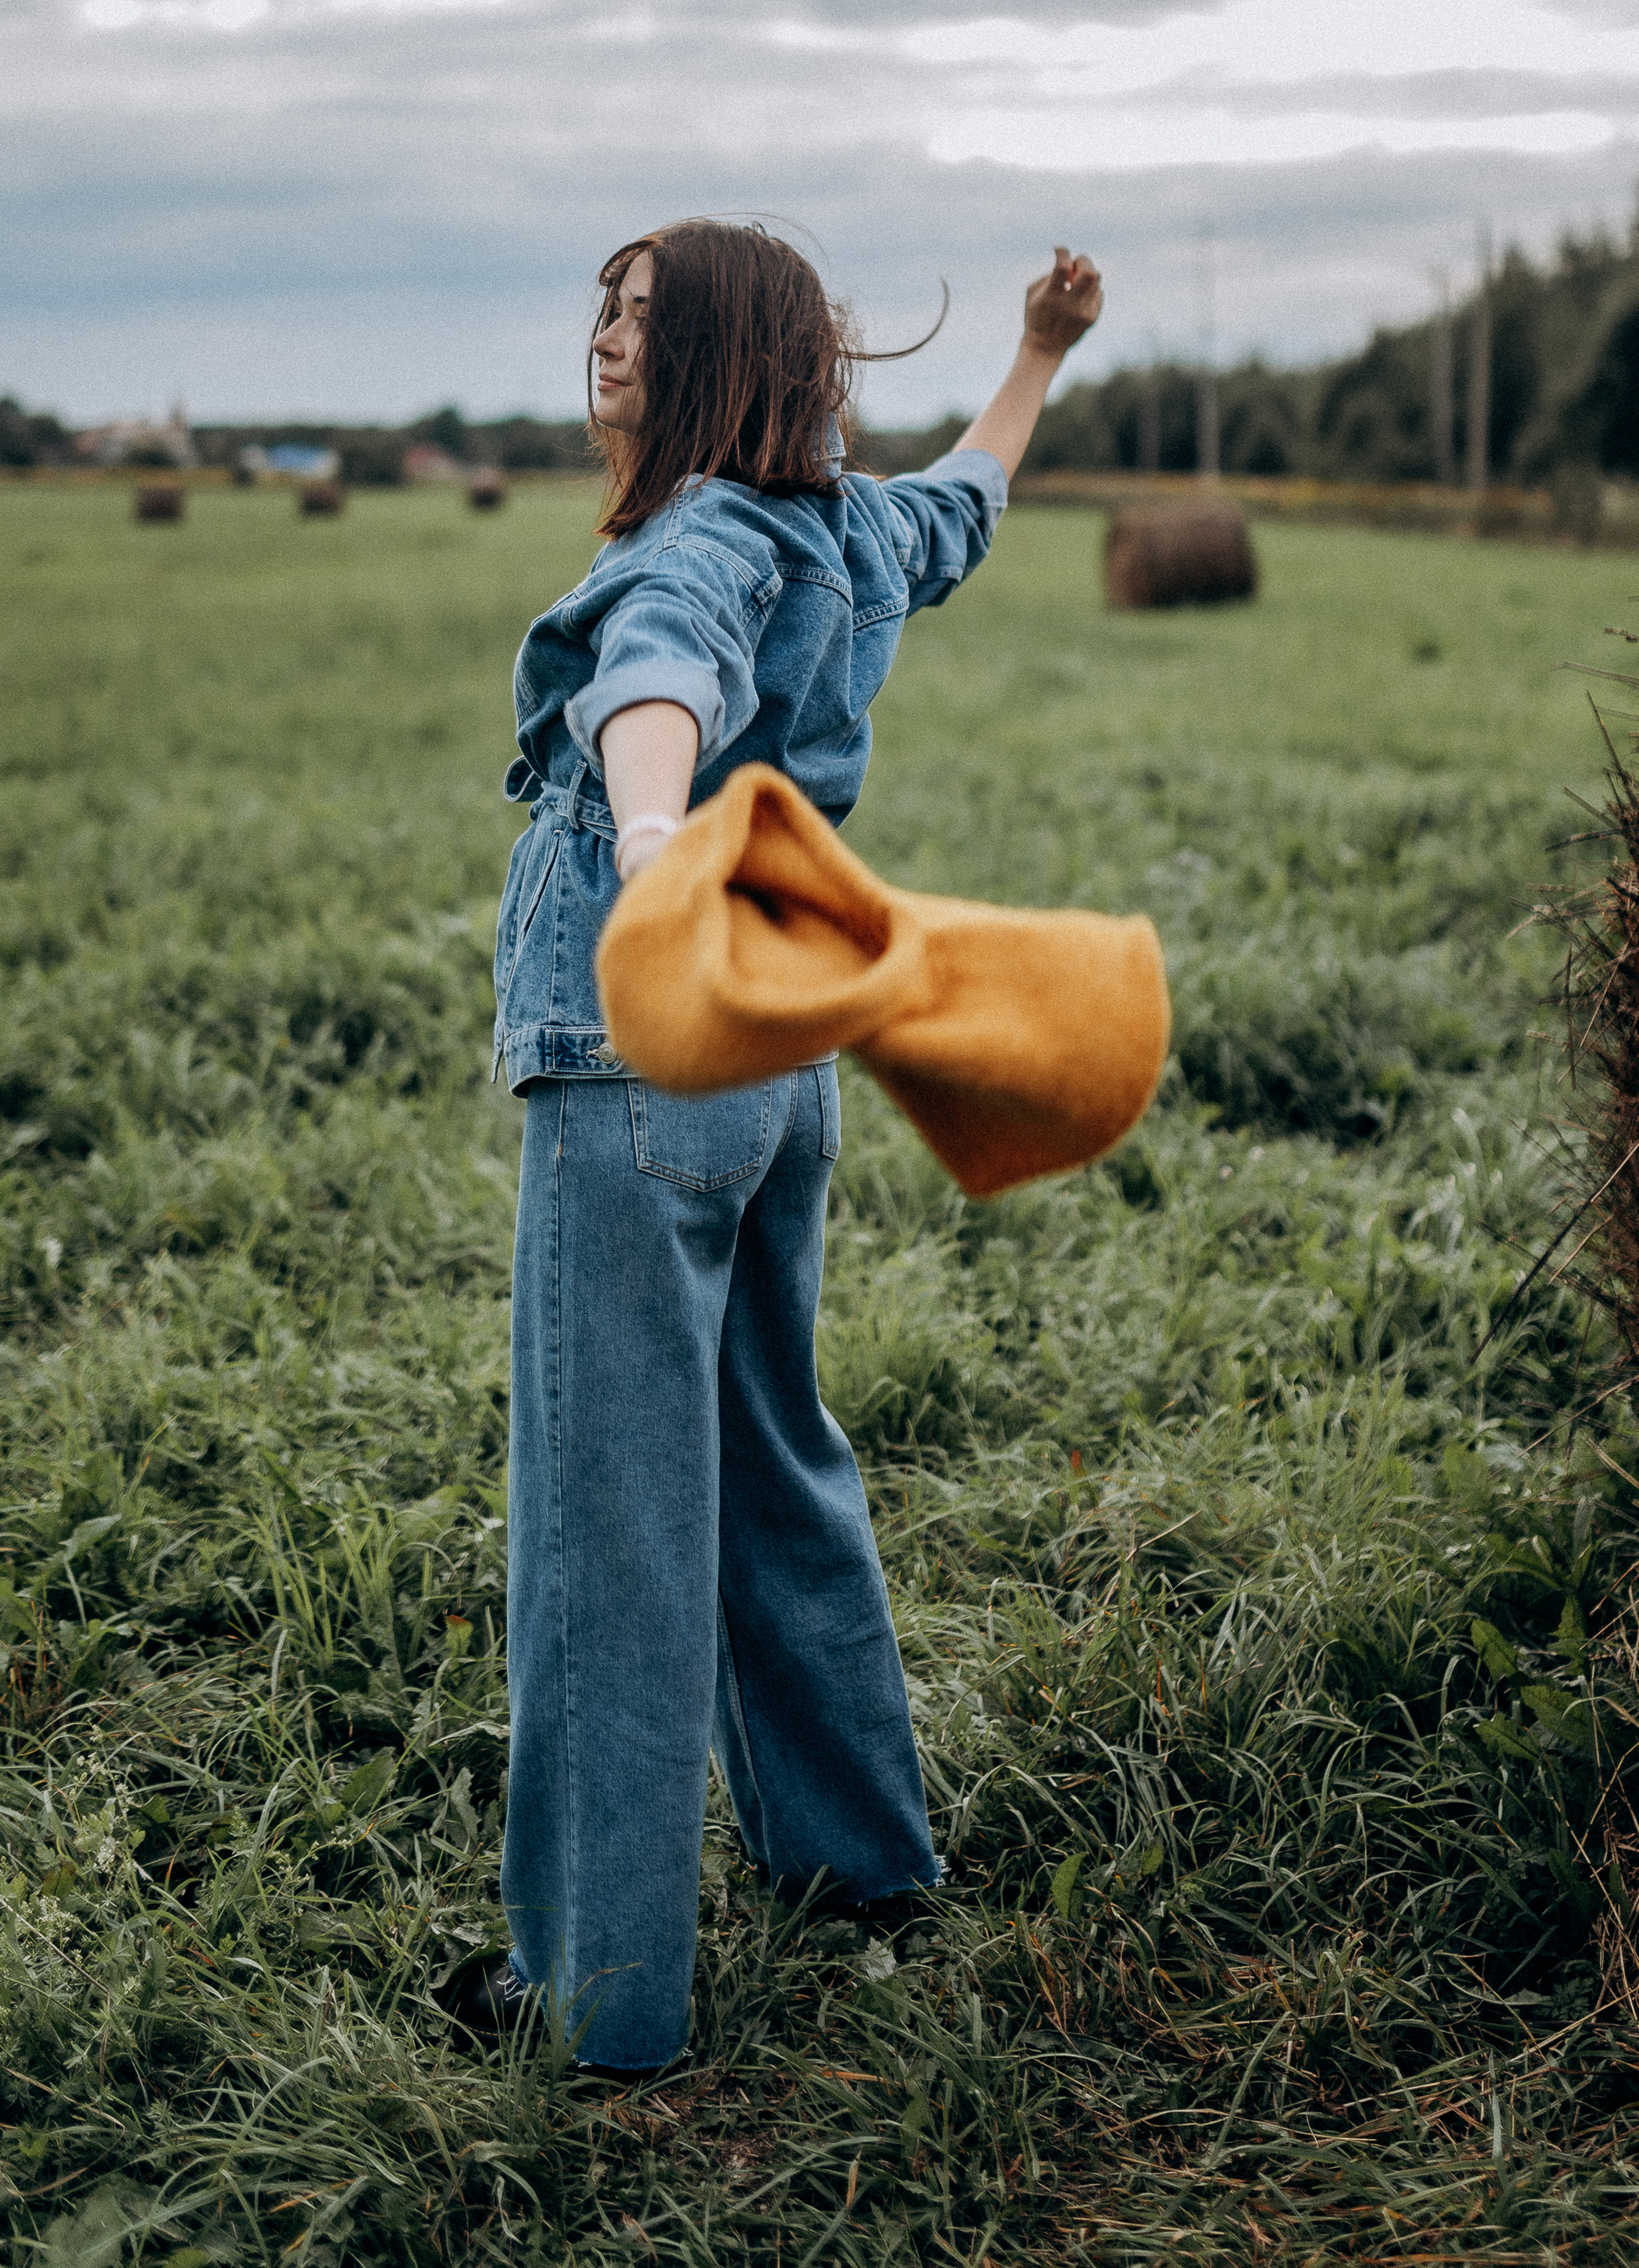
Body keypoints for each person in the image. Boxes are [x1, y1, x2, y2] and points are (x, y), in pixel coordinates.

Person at [467, 217, 1102, 2076]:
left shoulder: (704, 541)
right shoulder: (846, 531)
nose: (604, 340)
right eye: (599, 306)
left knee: (608, 1522)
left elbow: (649, 671)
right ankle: (854, 1861)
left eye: (642, 321)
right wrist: (1041, 353)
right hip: (783, 1076)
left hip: (644, 1060)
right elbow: (966, 503)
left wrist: (656, 840)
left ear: (719, 356)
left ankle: (593, 1992)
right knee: (772, 1453)